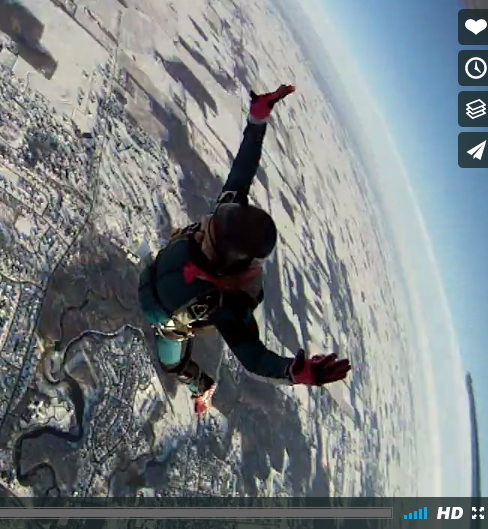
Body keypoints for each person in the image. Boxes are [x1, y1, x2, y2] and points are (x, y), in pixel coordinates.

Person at [137, 84, 352, 415]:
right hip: (157, 283)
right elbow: (242, 172)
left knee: (174, 365)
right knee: (168, 343)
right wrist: (257, 120)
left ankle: (203, 387)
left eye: (211, 230)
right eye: (216, 220)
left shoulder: (226, 302)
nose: (208, 222)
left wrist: (293, 372)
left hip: (170, 324)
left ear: (225, 262)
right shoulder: (225, 221)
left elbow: (252, 357)